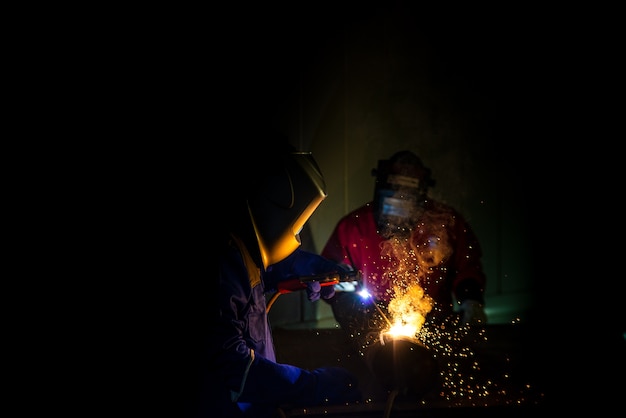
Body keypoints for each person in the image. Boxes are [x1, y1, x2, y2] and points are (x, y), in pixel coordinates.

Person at [190, 139, 362, 418]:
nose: (297, 231)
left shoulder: (239, 248)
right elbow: (234, 367)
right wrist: (312, 386)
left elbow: (251, 282)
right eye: (298, 222)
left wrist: (296, 266)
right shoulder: (221, 257)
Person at [320, 150, 487, 348]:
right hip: (372, 326)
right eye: (392, 200)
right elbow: (333, 281)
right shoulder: (354, 227)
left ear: (421, 194)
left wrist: (471, 300)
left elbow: (468, 266)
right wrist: (355, 311)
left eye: (407, 200)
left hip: (435, 326)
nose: (398, 212)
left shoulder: (444, 223)